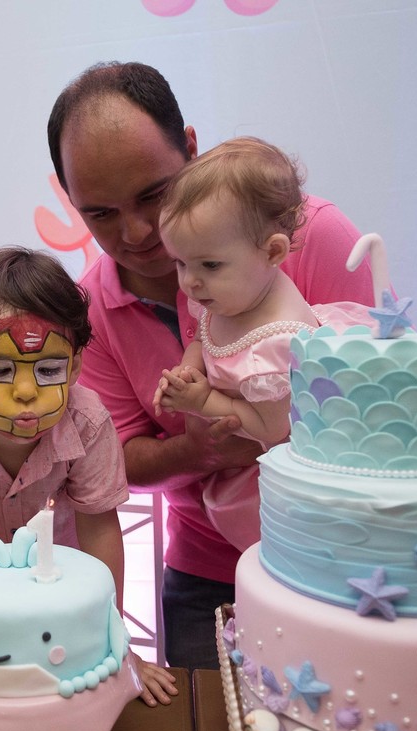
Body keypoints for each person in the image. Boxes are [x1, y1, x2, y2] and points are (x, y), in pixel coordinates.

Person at [47, 61, 376, 670]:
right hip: (207, 574)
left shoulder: (311, 233)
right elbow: (119, 460)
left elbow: (375, 401)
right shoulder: (87, 312)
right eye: (101, 213)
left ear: (191, 149)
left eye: (153, 194)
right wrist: (207, 445)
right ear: (69, 199)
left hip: (345, 566)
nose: (139, 230)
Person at [0, 246, 179, 706]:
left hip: (70, 584)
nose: (25, 393)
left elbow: (100, 532)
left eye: (49, 369)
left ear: (75, 367)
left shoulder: (89, 424)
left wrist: (113, 643)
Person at [152, 137, 373, 551]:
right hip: (247, 468)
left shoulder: (275, 346)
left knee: (287, 570)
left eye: (209, 265)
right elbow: (207, 336)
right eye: (180, 263)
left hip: (289, 489)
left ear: (273, 251)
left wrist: (202, 403)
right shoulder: (233, 291)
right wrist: (189, 368)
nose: (189, 281)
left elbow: (271, 427)